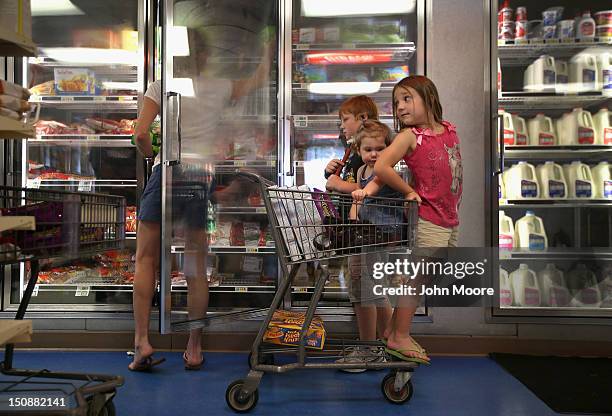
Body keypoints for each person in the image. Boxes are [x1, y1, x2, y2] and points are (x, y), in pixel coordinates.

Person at [129, 26, 273, 372]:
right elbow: (259, 78)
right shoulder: (219, 87)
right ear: (206, 56)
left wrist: (151, 154)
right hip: (201, 176)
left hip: (167, 172)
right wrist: (268, 42)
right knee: (196, 267)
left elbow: (139, 133)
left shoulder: (159, 87)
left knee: (145, 259)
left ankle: (142, 342)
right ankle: (194, 347)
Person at [354, 75, 462, 364]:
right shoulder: (408, 136)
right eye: (396, 102)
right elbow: (382, 167)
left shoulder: (449, 130)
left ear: (429, 98)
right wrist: (409, 190)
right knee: (418, 278)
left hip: (449, 216)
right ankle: (399, 335)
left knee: (429, 274)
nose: (400, 107)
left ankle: (391, 330)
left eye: (406, 98)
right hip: (428, 216)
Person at [335, 120, 398, 372]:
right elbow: (358, 200)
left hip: (379, 235)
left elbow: (365, 194)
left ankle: (369, 348)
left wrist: (356, 197)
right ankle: (390, 343)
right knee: (373, 289)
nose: (374, 154)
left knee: (364, 291)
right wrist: (352, 220)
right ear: (359, 151)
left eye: (380, 149)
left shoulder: (384, 171)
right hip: (366, 235)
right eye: (368, 149)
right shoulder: (361, 172)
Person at [324, 95, 378, 194]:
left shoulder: (372, 153)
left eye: (345, 120)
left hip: (363, 209)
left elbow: (371, 186)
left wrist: (340, 185)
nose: (341, 126)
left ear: (363, 117)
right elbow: (352, 180)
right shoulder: (355, 150)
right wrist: (331, 174)